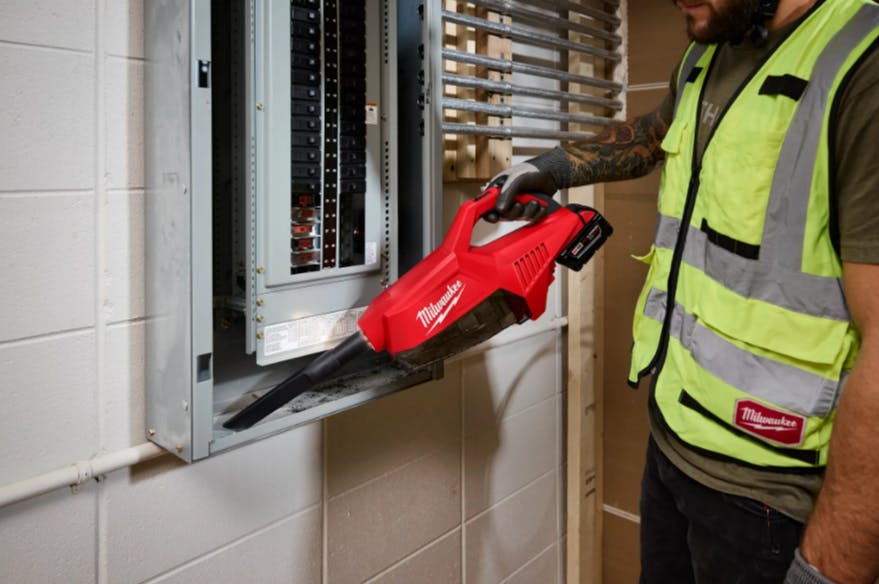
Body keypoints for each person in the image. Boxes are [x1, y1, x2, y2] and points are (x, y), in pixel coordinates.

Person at [486, 0, 879, 582]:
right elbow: (656, 134)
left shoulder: (860, 61)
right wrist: (552, 167)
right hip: (674, 441)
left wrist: (828, 571)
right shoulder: (709, 48)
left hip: (771, 498)